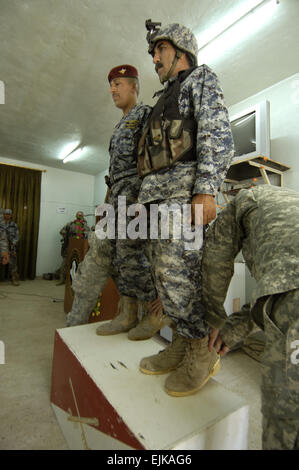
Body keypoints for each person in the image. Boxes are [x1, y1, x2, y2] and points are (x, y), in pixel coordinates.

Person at [136, 21, 234, 397]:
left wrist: (207, 190)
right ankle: (180, 339)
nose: (154, 58)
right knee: (164, 279)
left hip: (182, 197)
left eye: (159, 49)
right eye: (153, 52)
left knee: (181, 279)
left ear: (181, 50)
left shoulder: (200, 79)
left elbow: (216, 134)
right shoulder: (161, 99)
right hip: (153, 202)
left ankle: (200, 351)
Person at [66, 65, 168, 341]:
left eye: (119, 83)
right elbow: (114, 173)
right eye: (111, 85)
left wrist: (146, 201)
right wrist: (105, 206)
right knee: (121, 257)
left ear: (135, 86)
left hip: (137, 194)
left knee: (135, 255)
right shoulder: (120, 126)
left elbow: (156, 159)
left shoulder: (144, 114)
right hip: (117, 195)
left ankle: (151, 312)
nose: (112, 89)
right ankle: (128, 312)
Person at [202, 184, 299, 450]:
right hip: (291, 291)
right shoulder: (287, 202)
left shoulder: (240, 204)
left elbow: (215, 261)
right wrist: (233, 329)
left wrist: (212, 318)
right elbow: (275, 291)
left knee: (286, 413)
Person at [56, 211, 90, 285]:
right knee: (64, 264)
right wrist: (68, 236)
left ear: (83, 216)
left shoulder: (85, 226)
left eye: (81, 215)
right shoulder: (70, 224)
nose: (79, 217)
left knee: (78, 265)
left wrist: (82, 234)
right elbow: (62, 231)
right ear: (76, 216)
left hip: (80, 249)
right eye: (78, 215)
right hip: (69, 247)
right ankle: (62, 280)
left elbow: (88, 234)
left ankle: (74, 281)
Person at [2, 209, 19, 285]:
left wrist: (13, 243)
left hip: (11, 246)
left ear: (11, 215)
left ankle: (14, 279)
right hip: (1, 247)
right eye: (6, 214)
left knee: (13, 264)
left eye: (9, 214)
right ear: (3, 215)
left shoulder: (14, 225)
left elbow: (17, 236)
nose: (7, 215)